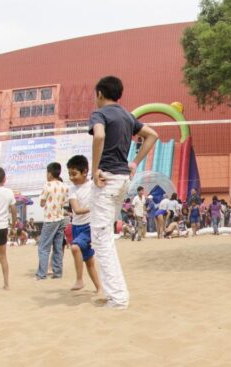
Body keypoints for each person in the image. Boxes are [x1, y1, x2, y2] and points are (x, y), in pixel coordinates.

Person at [89, 75, 158, 309]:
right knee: (105, 237)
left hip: (106, 179)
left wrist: (95, 169)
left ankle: (118, 298)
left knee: (102, 240)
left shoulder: (100, 114)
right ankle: (116, 294)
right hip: (122, 180)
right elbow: (153, 135)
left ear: (100, 93)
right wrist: (135, 162)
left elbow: (99, 135)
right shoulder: (128, 116)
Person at [65, 154, 102, 295]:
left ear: (85, 172)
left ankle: (79, 280)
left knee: (75, 247)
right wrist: (94, 207)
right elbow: (77, 210)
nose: (71, 177)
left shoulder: (93, 185)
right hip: (76, 227)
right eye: (69, 174)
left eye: (74, 174)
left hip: (89, 226)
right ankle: (99, 288)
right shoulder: (72, 189)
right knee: (89, 261)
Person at [37, 162, 69, 280]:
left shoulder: (47, 185)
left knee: (43, 247)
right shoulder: (64, 186)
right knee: (58, 247)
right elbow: (65, 202)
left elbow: (42, 203)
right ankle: (57, 272)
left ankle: (42, 274)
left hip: (50, 218)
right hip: (61, 218)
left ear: (50, 173)